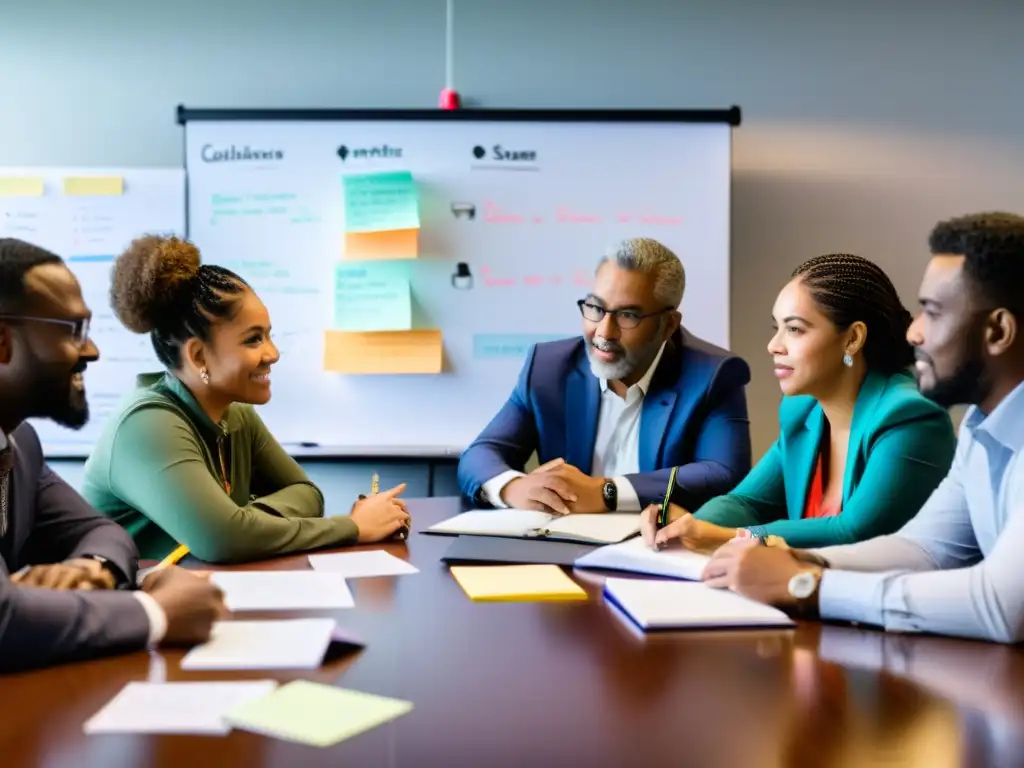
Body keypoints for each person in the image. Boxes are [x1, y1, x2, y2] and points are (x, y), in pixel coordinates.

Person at [700, 212, 1024, 644]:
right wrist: (800, 559)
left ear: (998, 330)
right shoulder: (980, 426)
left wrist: (808, 584)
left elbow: (1001, 606)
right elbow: (925, 548)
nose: (913, 331)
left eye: (933, 312)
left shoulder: (912, 413)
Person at [81, 235, 410, 563]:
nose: (273, 353)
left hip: (195, 589)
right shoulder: (148, 424)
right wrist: (352, 527)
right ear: (198, 356)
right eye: (254, 340)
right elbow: (223, 540)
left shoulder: (235, 414)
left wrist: (244, 519)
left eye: (269, 335)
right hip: (121, 603)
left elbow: (308, 496)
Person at [0, 238, 225, 672]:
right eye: (73, 331)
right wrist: (156, 615)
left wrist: (94, 567)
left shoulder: (20, 444)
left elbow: (103, 532)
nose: (92, 351)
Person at [642, 254, 955, 551]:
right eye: (777, 328)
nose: (773, 346)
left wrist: (730, 537)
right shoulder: (802, 409)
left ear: (852, 339)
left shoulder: (909, 417)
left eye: (794, 329)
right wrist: (687, 527)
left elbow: (853, 532)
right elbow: (746, 503)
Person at [458, 237, 753, 514]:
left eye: (628, 315)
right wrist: (513, 487)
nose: (603, 332)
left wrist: (606, 492)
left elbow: (722, 473)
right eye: (596, 308)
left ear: (667, 325)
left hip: (658, 547)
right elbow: (482, 453)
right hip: (564, 545)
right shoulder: (549, 367)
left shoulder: (713, 375)